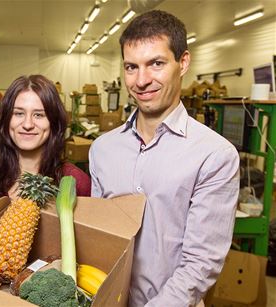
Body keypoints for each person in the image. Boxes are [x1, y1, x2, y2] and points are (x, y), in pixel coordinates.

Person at [89, 10, 240, 306]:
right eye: (131, 67)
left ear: (182, 63)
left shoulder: (214, 156)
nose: (141, 80)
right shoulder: (103, 150)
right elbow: (98, 238)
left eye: (156, 64)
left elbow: (200, 265)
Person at [0, 75, 91, 224]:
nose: (27, 124)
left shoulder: (76, 182)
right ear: (6, 120)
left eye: (38, 115)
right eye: (19, 113)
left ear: (54, 123)